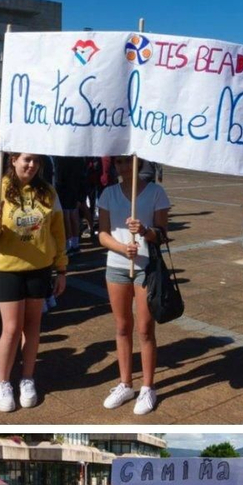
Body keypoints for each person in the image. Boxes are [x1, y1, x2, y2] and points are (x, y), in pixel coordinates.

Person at [0, 151, 68, 413]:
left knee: (32, 326)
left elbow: (58, 232)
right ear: (13, 160)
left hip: (40, 268)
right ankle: (3, 382)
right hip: (8, 269)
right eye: (26, 159)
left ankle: (27, 378)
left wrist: (61, 268)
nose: (31, 165)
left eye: (36, 161)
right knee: (11, 328)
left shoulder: (48, 192)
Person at [97, 153, 172, 414]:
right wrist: (121, 248)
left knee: (145, 329)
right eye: (119, 162)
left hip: (146, 268)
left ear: (138, 162)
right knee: (122, 327)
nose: (124, 166)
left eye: (128, 161)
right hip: (117, 267)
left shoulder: (156, 192)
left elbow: (162, 234)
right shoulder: (108, 194)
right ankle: (125, 383)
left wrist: (144, 231)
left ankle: (148, 387)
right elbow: (102, 234)